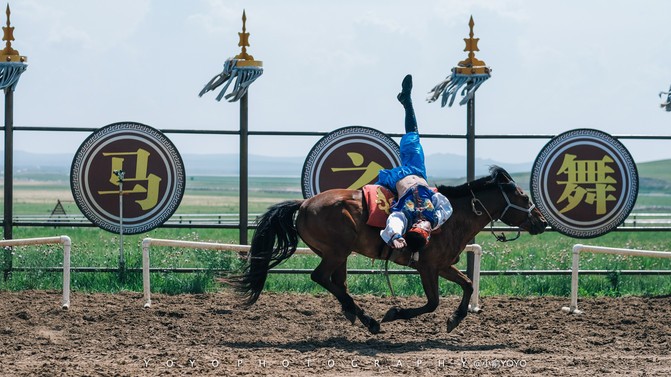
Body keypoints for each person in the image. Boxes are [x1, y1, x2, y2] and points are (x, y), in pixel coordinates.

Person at [377, 74, 453, 257]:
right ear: (428, 234)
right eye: (424, 229)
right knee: (413, 137)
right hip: (417, 172)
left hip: (395, 177)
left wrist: (395, 236)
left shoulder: (406, 216)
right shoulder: (435, 216)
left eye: (418, 228)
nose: (422, 225)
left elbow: (395, 221)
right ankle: (407, 101)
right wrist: (435, 222)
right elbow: (447, 205)